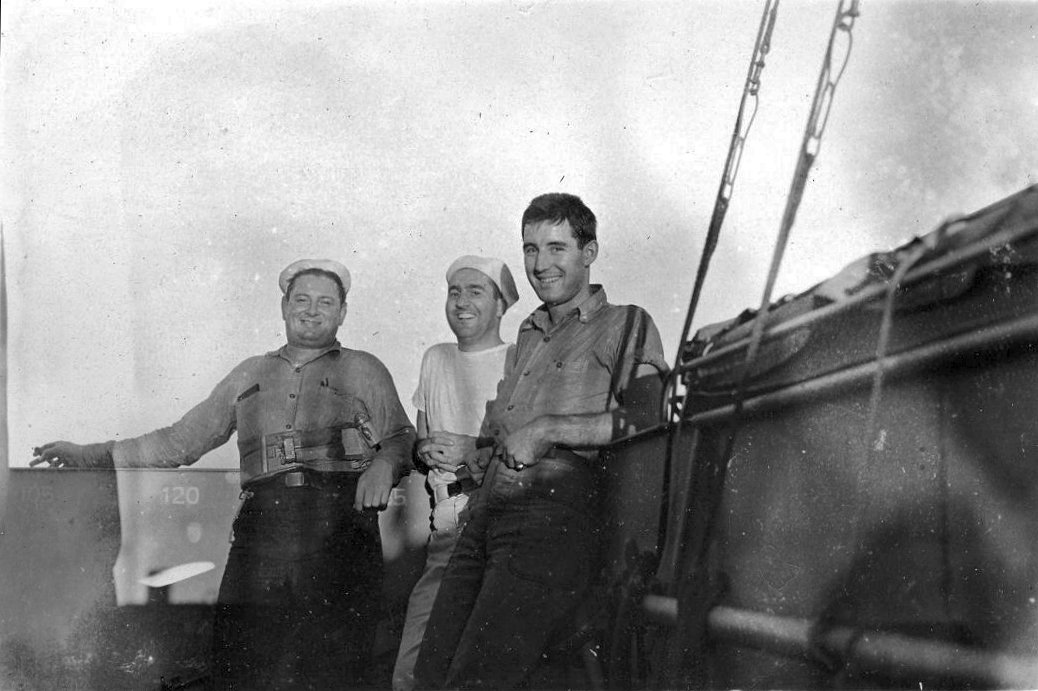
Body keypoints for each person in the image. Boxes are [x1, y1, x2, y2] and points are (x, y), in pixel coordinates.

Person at [31, 259, 415, 690]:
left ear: (342, 313)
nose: (311, 311)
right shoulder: (249, 373)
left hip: (340, 528)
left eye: (325, 302)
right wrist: (88, 455)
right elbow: (178, 442)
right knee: (240, 664)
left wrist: (385, 463)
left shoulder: (364, 368)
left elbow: (402, 436)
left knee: (336, 669)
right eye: (301, 300)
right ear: (284, 307)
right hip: (263, 530)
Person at [414, 193, 668, 689]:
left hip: (551, 517)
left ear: (589, 252)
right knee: (430, 671)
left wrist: (549, 429)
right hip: (485, 514)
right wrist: (470, 450)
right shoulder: (529, 332)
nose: (540, 264)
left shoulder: (627, 322)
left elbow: (647, 417)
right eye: (531, 249)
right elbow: (502, 437)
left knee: (478, 679)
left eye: (556, 248)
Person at [391, 255, 520, 691]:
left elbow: (527, 446)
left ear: (501, 305)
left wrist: (470, 448)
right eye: (454, 292)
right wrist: (424, 450)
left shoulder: (518, 359)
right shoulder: (436, 358)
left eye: (475, 291)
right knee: (412, 668)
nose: (461, 302)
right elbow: (422, 442)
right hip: (446, 527)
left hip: (498, 520)